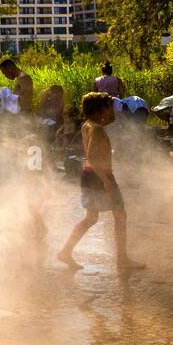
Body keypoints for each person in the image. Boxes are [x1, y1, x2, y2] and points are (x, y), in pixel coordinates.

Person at [56, 92, 145, 272]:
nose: (113, 111)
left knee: (91, 218)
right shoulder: (97, 129)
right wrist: (106, 181)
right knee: (120, 215)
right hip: (99, 176)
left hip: (89, 175)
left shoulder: (87, 125)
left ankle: (66, 251)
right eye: (109, 107)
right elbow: (91, 156)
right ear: (100, 110)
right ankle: (122, 259)